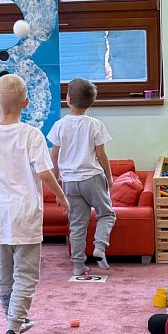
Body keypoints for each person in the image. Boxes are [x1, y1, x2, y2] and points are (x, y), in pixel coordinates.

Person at [0, 74, 69, 334]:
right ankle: (13, 328)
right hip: (25, 213)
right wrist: (61, 196)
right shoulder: (32, 135)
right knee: (26, 274)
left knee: (5, 272)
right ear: (26, 102)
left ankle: (15, 319)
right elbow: (44, 173)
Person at [47, 78, 115, 275]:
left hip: (69, 181)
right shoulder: (95, 124)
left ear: (68, 99)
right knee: (107, 214)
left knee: (77, 225)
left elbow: (54, 154)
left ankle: (78, 266)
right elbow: (101, 155)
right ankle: (99, 247)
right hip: (92, 178)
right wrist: (109, 177)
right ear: (91, 102)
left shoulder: (60, 125)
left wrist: (57, 180)